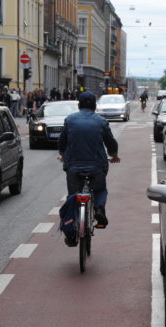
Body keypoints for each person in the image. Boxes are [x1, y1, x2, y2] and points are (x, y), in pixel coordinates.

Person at [58, 91, 121, 230]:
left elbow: (62, 142)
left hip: (73, 166)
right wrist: (114, 155)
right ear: (95, 106)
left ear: (79, 105)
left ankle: (72, 225)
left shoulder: (69, 120)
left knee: (73, 195)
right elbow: (111, 143)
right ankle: (99, 209)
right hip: (96, 167)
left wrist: (62, 154)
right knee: (100, 190)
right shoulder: (101, 121)